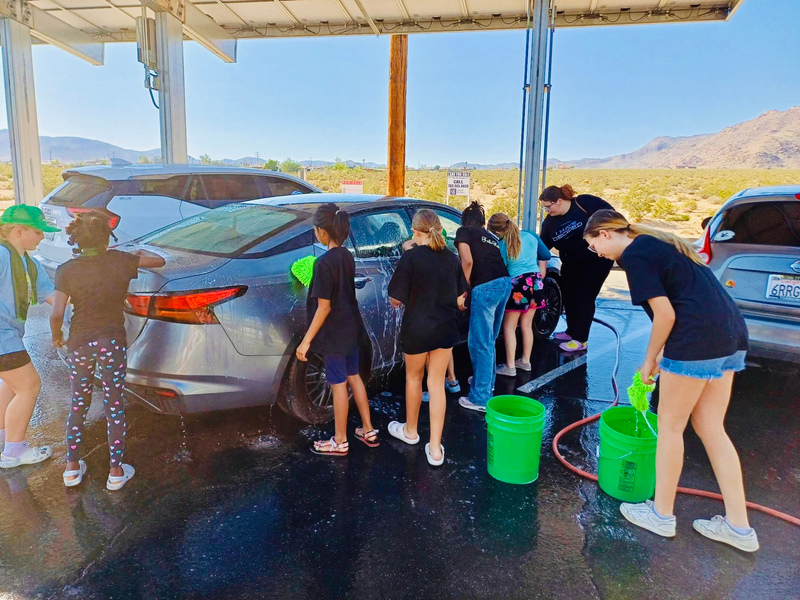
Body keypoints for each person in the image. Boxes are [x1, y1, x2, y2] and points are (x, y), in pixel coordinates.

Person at [584, 209, 758, 553]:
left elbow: (666, 313)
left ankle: (661, 515)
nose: (598, 254)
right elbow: (688, 302)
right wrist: (664, 355)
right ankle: (739, 527)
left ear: (605, 234)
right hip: (730, 335)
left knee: (670, 428)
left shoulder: (635, 255)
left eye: (594, 246)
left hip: (696, 341)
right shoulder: (657, 244)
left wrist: (648, 361)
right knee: (711, 428)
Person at [50, 212, 166, 489]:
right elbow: (159, 260)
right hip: (111, 339)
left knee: (79, 402)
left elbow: (56, 313)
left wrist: (57, 336)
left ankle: (71, 467)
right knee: (114, 404)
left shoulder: (66, 269)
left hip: (79, 340)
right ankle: (115, 471)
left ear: (76, 239)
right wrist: (137, 250)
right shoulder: (122, 261)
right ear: (107, 239)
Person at [296, 203, 378, 456]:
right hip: (352, 329)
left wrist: (306, 341)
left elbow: (324, 308)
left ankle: (340, 441)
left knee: (338, 384)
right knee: (354, 377)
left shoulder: (323, 263)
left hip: (334, 335)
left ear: (322, 232)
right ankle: (368, 430)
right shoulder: (346, 256)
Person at [387, 209, 467, 466]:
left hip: (417, 329)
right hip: (445, 328)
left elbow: (395, 299)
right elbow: (459, 298)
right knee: (436, 384)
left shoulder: (411, 258)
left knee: (414, 378)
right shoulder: (452, 258)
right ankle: (435, 448)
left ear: (415, 231)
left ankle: (411, 431)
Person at [0, 206, 60, 469]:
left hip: (10, 336)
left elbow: (54, 299)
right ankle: (13, 452)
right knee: (28, 385)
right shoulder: (2, 256)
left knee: (12, 385)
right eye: (38, 232)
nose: (42, 237)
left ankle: (5, 438)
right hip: (3, 337)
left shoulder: (31, 264)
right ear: (18, 230)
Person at [539, 185, 614, 353]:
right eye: (543, 207)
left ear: (559, 201)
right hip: (571, 262)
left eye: (548, 206)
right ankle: (571, 331)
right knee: (569, 296)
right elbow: (543, 247)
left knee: (584, 297)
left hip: (597, 260)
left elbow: (613, 217)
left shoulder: (584, 203)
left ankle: (581, 339)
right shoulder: (549, 223)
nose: (546, 210)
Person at [454, 202, 512, 413]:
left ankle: (480, 397)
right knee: (489, 340)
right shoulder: (488, 236)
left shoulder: (463, 232)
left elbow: (467, 261)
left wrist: (464, 290)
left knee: (480, 342)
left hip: (485, 287)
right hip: (504, 283)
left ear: (464, 221)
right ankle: (486, 382)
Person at [487, 213, 551, 377]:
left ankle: (510, 366)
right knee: (527, 325)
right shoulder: (530, 235)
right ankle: (525, 361)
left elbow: (500, 267)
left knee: (509, 327)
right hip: (536, 283)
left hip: (517, 285)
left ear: (496, 232)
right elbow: (545, 254)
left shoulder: (502, 244)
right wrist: (541, 270)